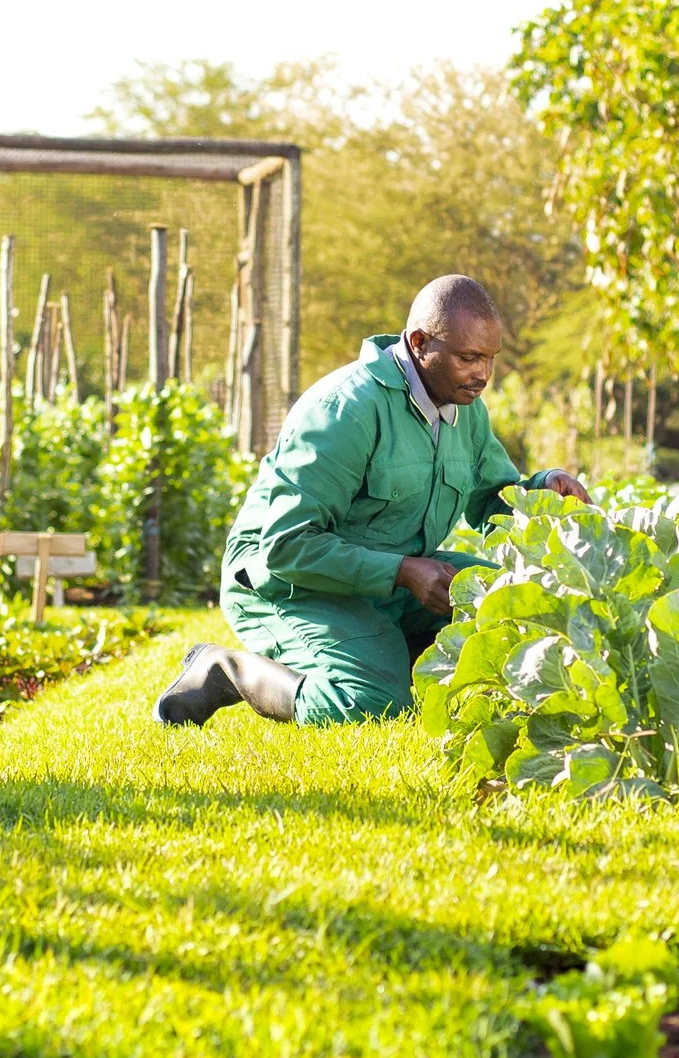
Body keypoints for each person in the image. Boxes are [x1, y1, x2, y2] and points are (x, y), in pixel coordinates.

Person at [152, 273, 589, 727]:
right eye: (468, 358)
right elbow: (285, 546)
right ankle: (224, 670)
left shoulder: (464, 410)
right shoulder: (346, 409)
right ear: (419, 343)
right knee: (373, 701)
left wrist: (545, 488)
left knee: (515, 602)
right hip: (283, 583)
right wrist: (402, 572)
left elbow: (492, 500)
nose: (483, 375)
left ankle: (388, 653)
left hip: (387, 578)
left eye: (490, 358)